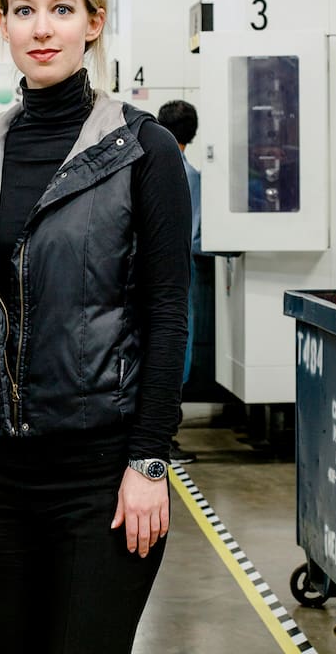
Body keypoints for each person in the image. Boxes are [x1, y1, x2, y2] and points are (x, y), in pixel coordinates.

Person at [0, 0, 192, 654]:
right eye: (24, 9)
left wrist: (149, 461)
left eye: (63, 9)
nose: (43, 28)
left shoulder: (141, 149)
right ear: (3, 22)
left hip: (101, 473)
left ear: (94, 22)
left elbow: (167, 316)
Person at [156, 99, 202, 465]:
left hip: (146, 279)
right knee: (176, 354)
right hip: (178, 278)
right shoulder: (190, 176)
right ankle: (165, 439)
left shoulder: (144, 164)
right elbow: (196, 236)